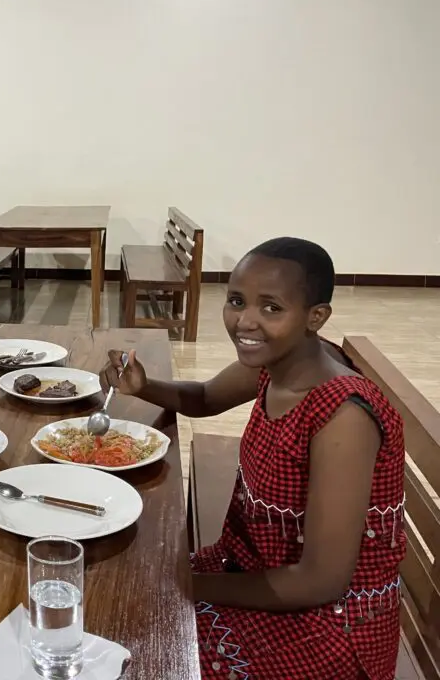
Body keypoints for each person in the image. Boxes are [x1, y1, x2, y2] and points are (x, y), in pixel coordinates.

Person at [100, 237, 405, 680]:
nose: (245, 321)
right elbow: (203, 397)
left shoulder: (343, 415)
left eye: (271, 308)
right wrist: (143, 385)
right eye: (237, 301)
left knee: (144, 647)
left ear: (315, 317)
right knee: (123, 590)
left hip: (328, 625)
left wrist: (188, 587)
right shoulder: (278, 361)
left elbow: (321, 580)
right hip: (252, 567)